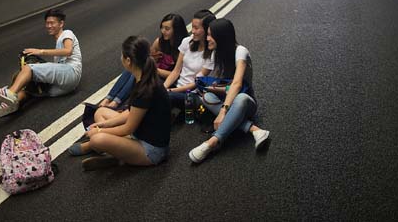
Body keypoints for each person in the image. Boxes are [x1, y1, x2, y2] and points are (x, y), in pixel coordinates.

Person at [78, 36, 171, 171]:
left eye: (122, 55)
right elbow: (131, 112)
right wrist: (102, 124)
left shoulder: (145, 90)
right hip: (139, 136)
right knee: (101, 112)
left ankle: (119, 156)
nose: (120, 57)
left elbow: (128, 128)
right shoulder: (142, 76)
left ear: (128, 60)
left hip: (152, 151)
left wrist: (99, 130)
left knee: (97, 139)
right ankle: (119, 154)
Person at [188, 19, 270, 163]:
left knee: (241, 98)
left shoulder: (240, 52)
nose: (207, 39)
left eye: (210, 35)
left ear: (221, 36)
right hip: (227, 99)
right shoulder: (216, 53)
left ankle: (213, 142)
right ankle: (255, 130)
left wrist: (222, 112)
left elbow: (237, 84)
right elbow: (220, 84)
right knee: (206, 96)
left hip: (246, 102)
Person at [0, 8, 81, 117]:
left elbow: (68, 51)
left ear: (61, 23)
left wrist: (40, 51)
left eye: (52, 23)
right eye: (47, 23)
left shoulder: (67, 33)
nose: (48, 26)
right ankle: (11, 105)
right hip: (62, 89)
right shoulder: (58, 42)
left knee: (29, 68)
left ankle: (10, 92)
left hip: (71, 73)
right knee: (30, 87)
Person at [99, 13, 188, 109]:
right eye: (162, 27)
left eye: (167, 29)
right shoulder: (159, 42)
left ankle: (115, 102)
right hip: (155, 72)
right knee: (132, 68)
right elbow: (147, 57)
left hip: (169, 80)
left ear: (176, 30)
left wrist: (156, 70)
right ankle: (108, 98)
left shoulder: (183, 48)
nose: (163, 31)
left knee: (138, 70)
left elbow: (178, 74)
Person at [163, 9, 215, 110]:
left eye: (196, 28)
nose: (193, 31)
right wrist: (164, 87)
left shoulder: (211, 53)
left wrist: (170, 91)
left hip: (193, 94)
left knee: (166, 97)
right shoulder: (187, 42)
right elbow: (176, 71)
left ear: (207, 30)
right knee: (148, 86)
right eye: (192, 27)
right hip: (177, 86)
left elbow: (196, 84)